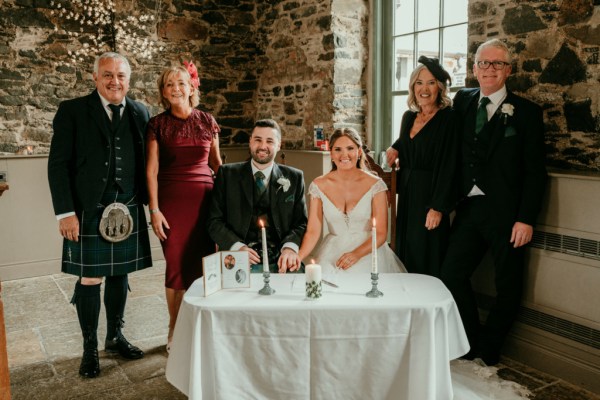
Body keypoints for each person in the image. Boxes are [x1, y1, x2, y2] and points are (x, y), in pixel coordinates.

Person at [440, 39, 547, 366]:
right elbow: (441, 137)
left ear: (508, 70)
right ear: (474, 68)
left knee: (508, 285)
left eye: (497, 64)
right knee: (451, 274)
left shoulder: (527, 113)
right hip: (468, 209)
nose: (489, 69)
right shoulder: (463, 100)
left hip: (508, 215)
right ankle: (471, 342)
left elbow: (534, 171)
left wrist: (526, 218)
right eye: (483, 63)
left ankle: (490, 348)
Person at [47, 52, 153, 378]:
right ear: (94, 77)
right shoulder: (73, 111)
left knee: (121, 275)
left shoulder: (140, 111)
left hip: (129, 207)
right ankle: (89, 347)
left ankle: (115, 336)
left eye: (121, 76)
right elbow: (58, 165)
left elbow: (149, 163)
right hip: (88, 210)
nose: (114, 81)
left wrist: (153, 206)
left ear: (129, 80)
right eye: (107, 75)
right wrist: (66, 214)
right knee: (91, 277)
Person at [146, 62, 222, 353]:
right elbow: (151, 171)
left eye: (180, 83)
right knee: (177, 266)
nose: (175, 88)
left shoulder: (207, 121)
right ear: (163, 93)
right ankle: (175, 328)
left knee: (205, 264)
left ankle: (201, 325)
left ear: (192, 88)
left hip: (206, 198)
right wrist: (154, 210)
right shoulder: (156, 124)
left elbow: (216, 164)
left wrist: (228, 200)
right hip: (172, 201)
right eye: (169, 85)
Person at [385, 56, 460, 277]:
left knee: (428, 254)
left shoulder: (449, 118)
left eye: (431, 82)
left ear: (440, 87)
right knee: (405, 250)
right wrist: (395, 146)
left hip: (431, 195)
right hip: (407, 195)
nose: (424, 89)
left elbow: (449, 164)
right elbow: (411, 142)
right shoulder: (408, 117)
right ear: (412, 87)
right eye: (419, 83)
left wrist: (438, 207)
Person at [296, 127, 406, 274]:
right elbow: (313, 231)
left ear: (359, 152)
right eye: (338, 149)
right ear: (331, 153)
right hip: (332, 251)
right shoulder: (318, 185)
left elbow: (380, 233)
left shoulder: (376, 185)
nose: (344, 155)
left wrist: (356, 254)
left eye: (350, 148)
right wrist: (298, 257)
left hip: (368, 251)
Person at [207, 119, 307, 273]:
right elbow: (214, 221)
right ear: (250, 142)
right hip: (239, 257)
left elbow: (301, 223)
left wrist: (289, 248)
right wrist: (237, 247)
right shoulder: (227, 175)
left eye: (270, 141)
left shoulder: (295, 177)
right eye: (258, 140)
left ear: (279, 145)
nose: (262, 146)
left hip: (281, 258)